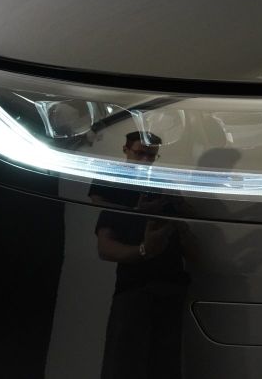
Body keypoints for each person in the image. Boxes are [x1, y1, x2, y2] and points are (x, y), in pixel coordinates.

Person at [90, 131, 191, 379]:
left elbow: (187, 235)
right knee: (125, 364)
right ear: (126, 149)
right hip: (136, 287)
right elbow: (105, 246)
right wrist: (143, 245)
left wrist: (179, 207)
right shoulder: (114, 184)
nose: (146, 161)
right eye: (141, 154)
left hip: (171, 287)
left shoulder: (161, 187)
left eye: (151, 156)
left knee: (165, 365)